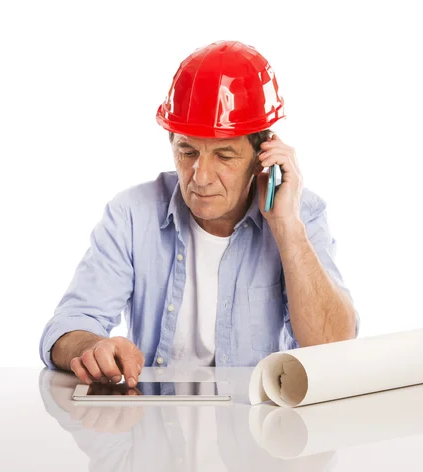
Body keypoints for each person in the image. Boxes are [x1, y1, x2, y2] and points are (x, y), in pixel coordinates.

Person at [39, 40, 359, 387]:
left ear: (262, 154)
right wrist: (93, 347)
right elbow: (69, 324)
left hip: (259, 429)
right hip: (154, 428)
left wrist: (286, 228)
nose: (201, 177)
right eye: (188, 151)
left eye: (224, 155)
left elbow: (334, 349)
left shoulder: (300, 213)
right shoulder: (132, 215)